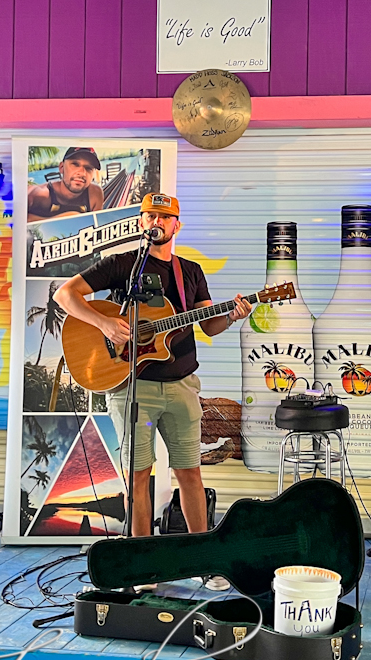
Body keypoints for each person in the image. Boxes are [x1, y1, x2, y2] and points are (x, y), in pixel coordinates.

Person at [55, 194, 252, 589]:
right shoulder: (123, 264)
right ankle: (143, 563)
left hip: (181, 387)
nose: (156, 221)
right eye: (150, 215)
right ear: (142, 221)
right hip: (134, 390)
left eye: (165, 216)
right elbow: (65, 295)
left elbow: (208, 326)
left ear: (177, 224)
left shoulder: (190, 272)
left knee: (189, 472)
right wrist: (105, 324)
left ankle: (205, 559)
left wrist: (231, 315)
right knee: (139, 474)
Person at [27, 147, 105, 222]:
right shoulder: (40, 195)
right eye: (75, 164)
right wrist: (67, 218)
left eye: (89, 168)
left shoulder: (95, 194)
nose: (82, 173)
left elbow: (99, 225)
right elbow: (18, 220)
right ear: (61, 167)